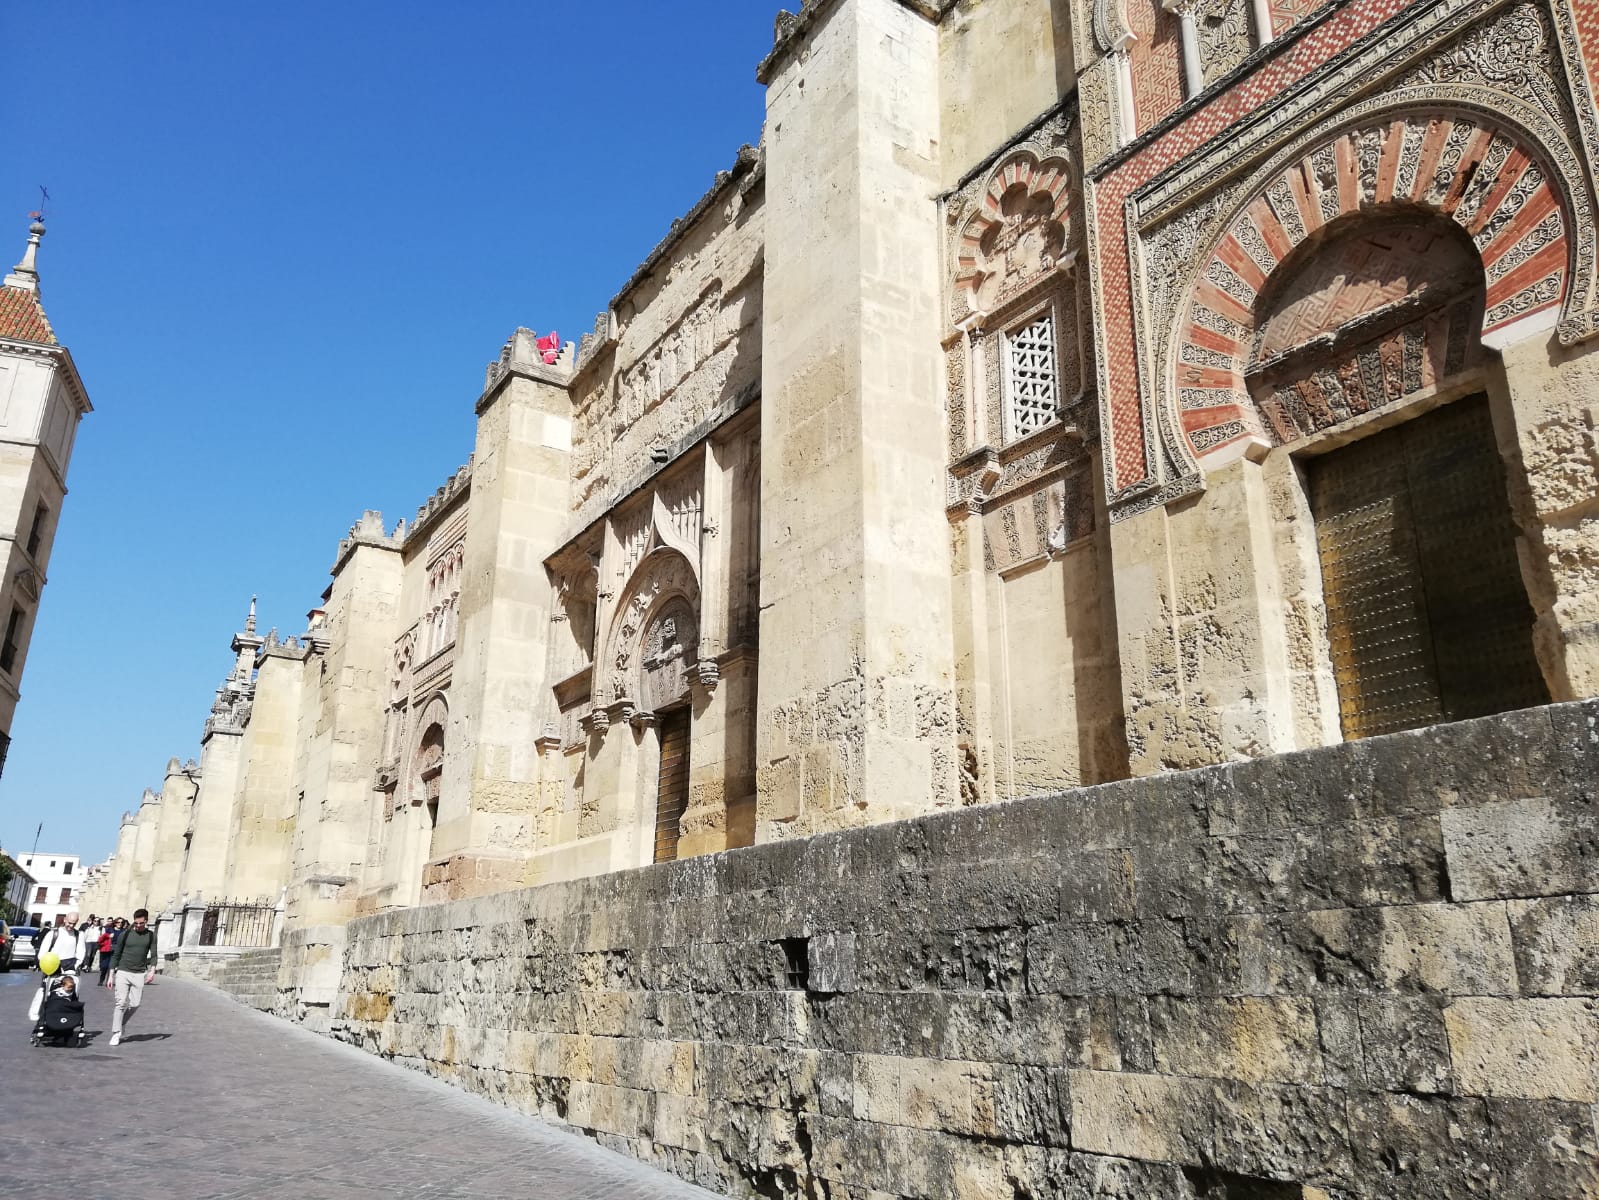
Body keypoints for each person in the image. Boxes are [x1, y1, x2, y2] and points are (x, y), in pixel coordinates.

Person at [106, 909, 156, 1048]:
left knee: (135, 1004)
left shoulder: (151, 936)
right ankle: (116, 1032)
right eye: (136, 923)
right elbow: (116, 955)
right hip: (123, 971)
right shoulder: (125, 934)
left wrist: (152, 970)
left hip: (139, 973)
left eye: (141, 923)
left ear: (146, 921)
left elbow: (154, 954)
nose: (138, 925)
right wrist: (111, 975)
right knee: (120, 1003)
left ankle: (122, 1022)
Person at [96, 921, 117, 987]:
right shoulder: (105, 935)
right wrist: (108, 937)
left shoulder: (115, 933)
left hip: (112, 951)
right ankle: (101, 980)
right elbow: (99, 941)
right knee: (104, 967)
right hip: (105, 951)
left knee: (110, 967)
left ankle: (108, 981)